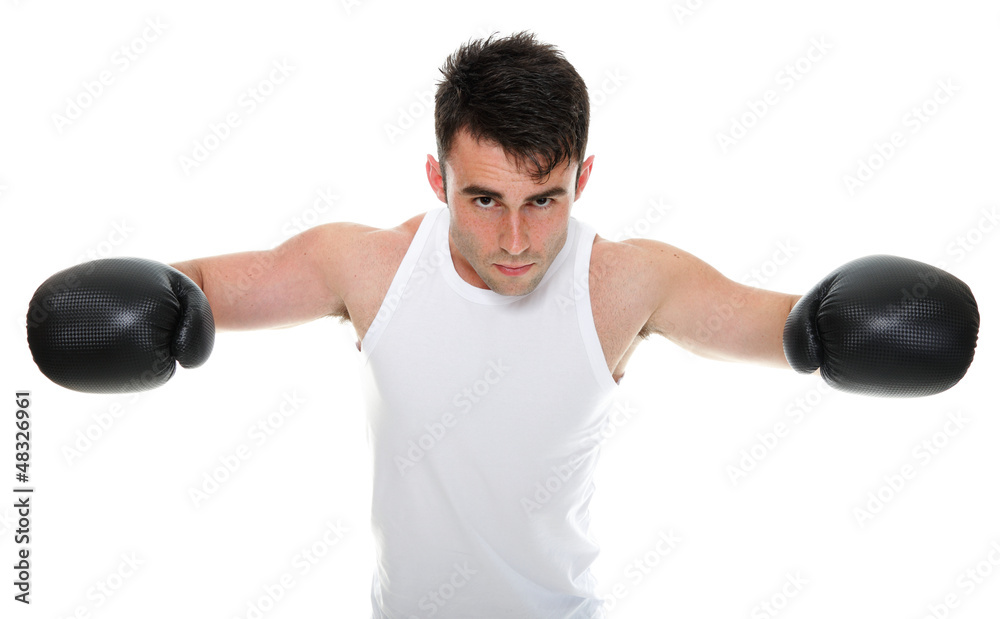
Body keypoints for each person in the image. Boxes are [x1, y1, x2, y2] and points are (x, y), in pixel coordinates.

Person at [26, 32, 979, 618]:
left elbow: (794, 328)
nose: (517, 239)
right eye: (484, 199)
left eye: (545, 200)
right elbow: (192, 289)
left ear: (583, 180)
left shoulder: (625, 282)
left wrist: (839, 328)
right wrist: (158, 304)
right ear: (437, 178)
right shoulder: (364, 267)